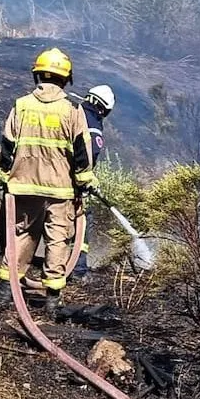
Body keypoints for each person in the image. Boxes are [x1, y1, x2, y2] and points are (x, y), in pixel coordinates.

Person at [0, 47, 97, 309]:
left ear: (37, 75)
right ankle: (53, 300)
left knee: (21, 235)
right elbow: (82, 151)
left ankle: (5, 290)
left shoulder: (21, 106)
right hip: (60, 191)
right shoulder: (72, 111)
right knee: (58, 240)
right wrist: (85, 181)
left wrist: (3, 175)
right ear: (66, 79)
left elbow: (7, 145)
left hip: (23, 187)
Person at [70, 84, 115, 284]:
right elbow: (90, 155)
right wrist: (87, 180)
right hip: (71, 184)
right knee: (82, 221)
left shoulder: (74, 111)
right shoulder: (93, 124)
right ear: (102, 108)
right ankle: (78, 270)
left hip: (47, 177)